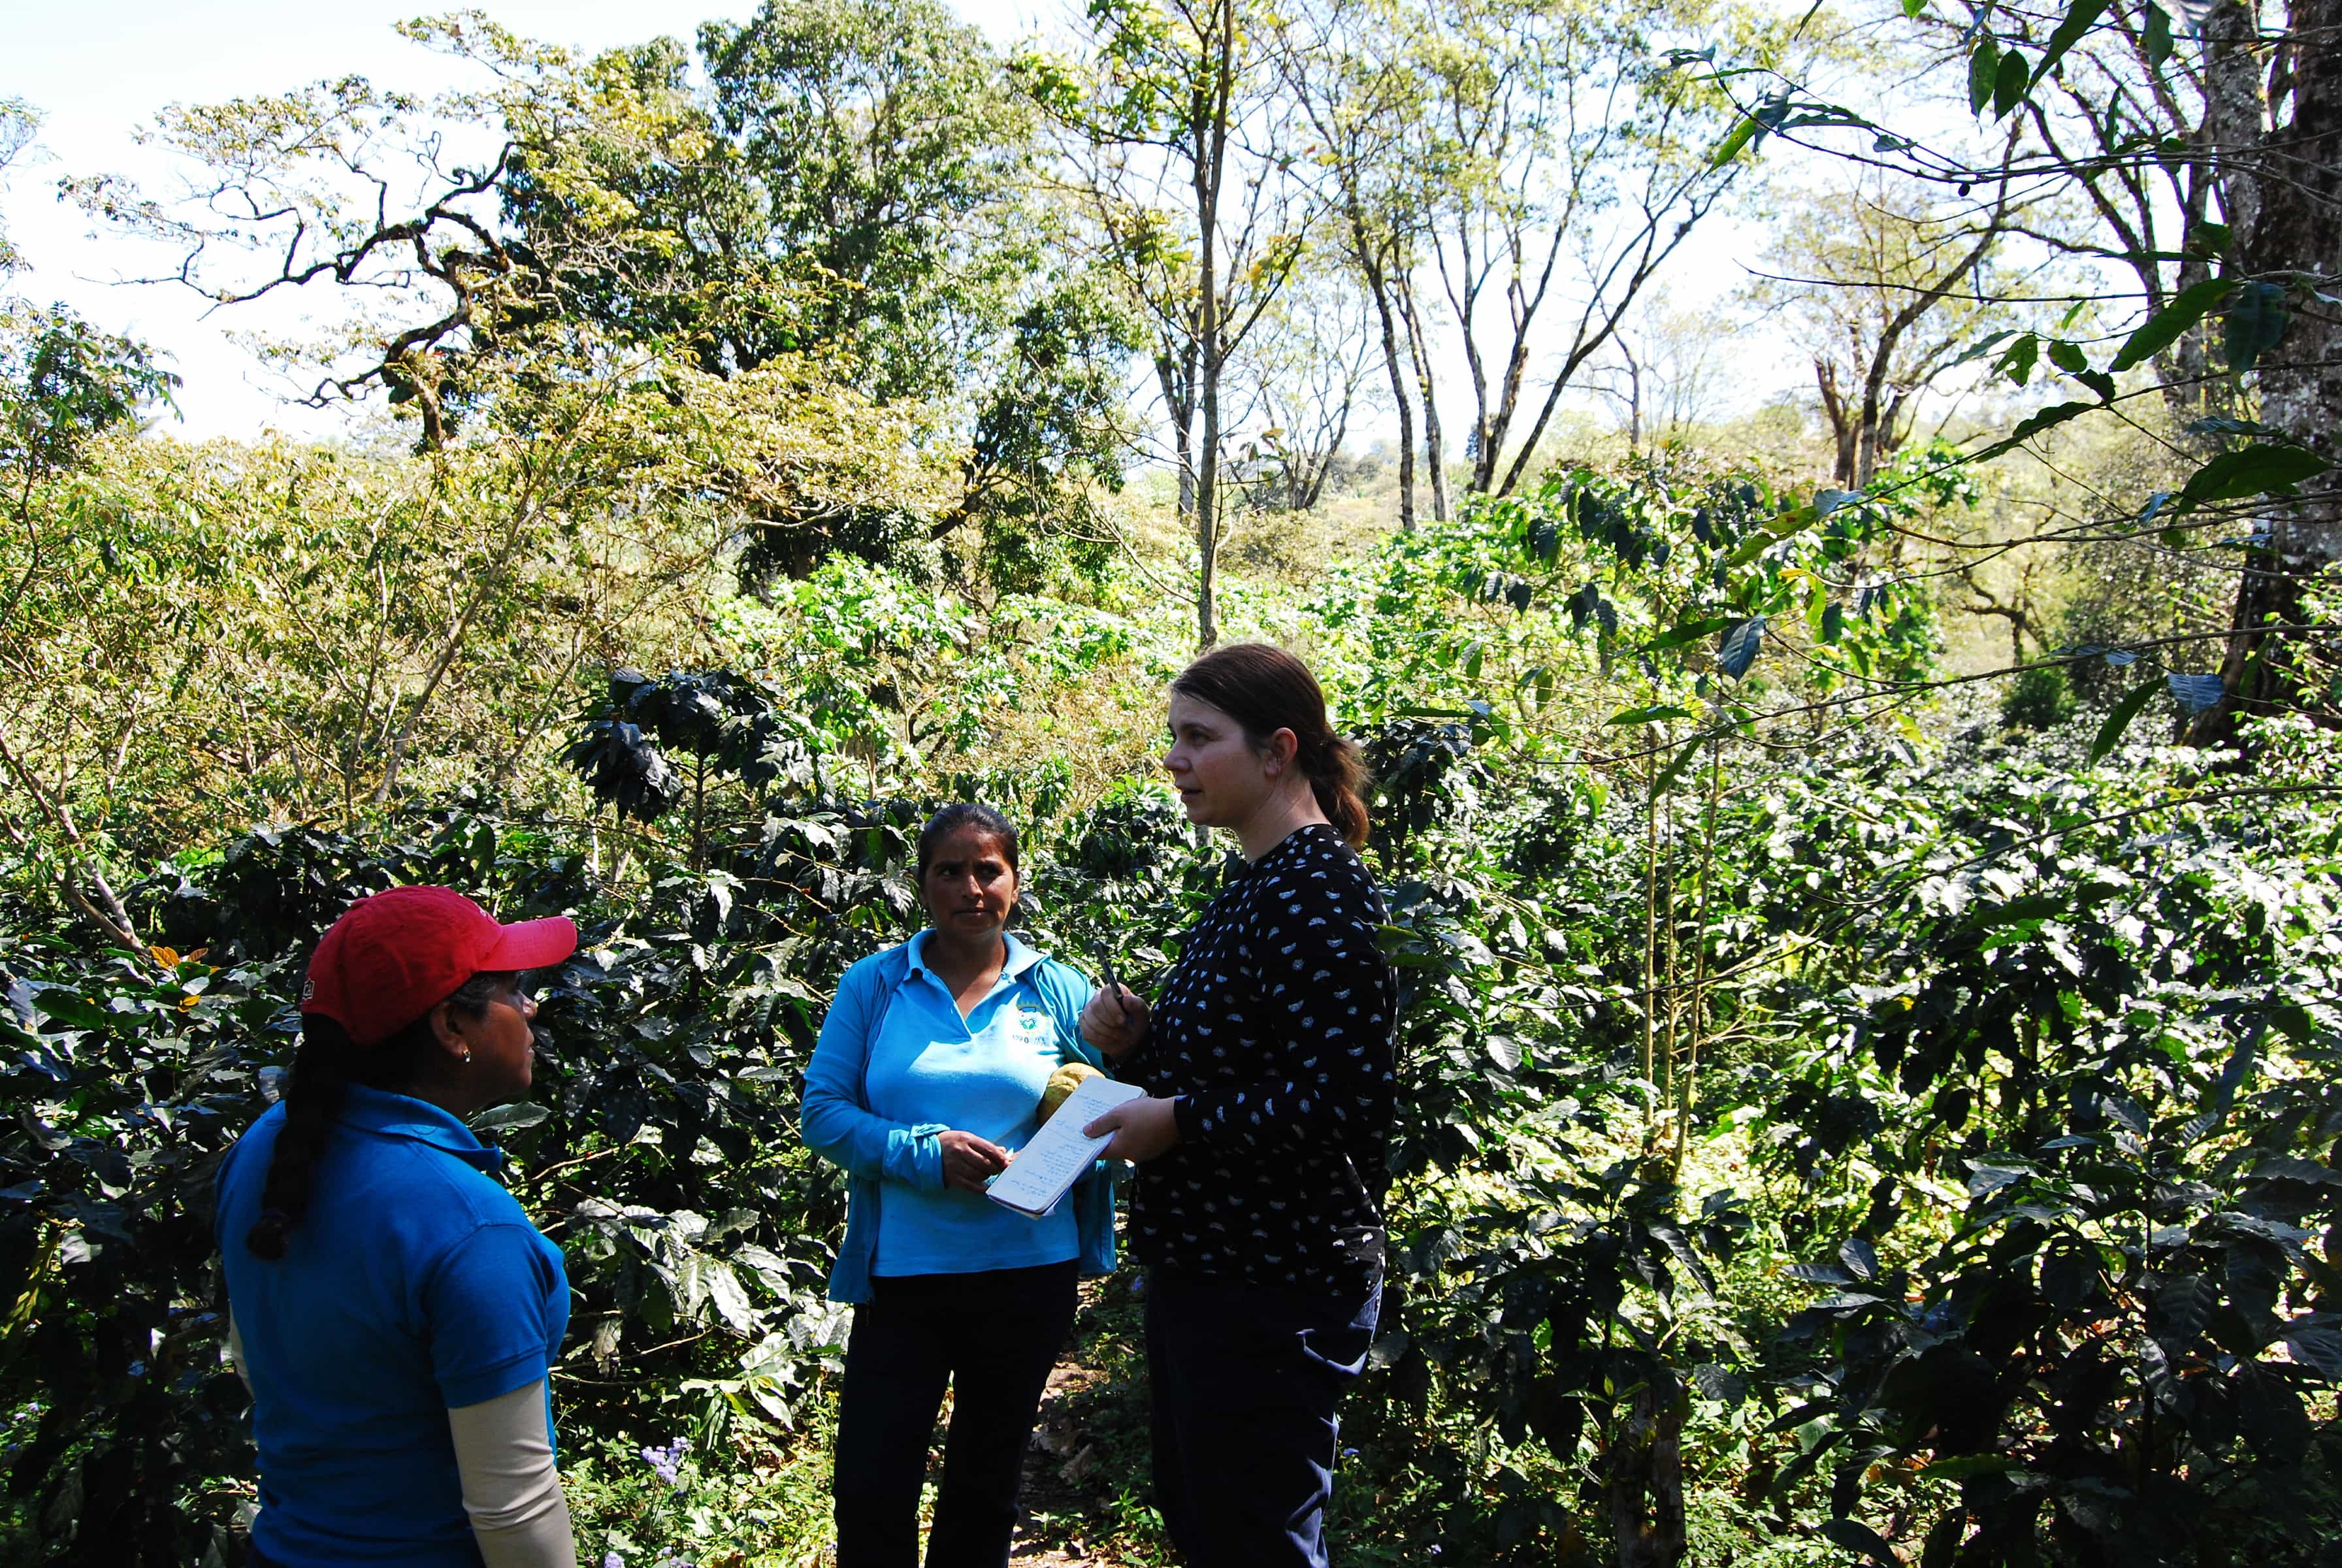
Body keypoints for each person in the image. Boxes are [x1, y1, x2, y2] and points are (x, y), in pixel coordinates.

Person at [1079, 643, 1398, 1568]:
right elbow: (1245, 1064)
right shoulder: (1253, 884)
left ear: (1276, 752)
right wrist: (1138, 1045)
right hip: (1217, 1273)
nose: (1173, 760)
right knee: (1214, 1531)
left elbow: (1342, 1099)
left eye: (1197, 738)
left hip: (1276, 1285)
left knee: (1254, 1544)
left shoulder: (1317, 891)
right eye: (1172, 738)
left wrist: (1174, 1120)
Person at [214, 885, 583, 1568]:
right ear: (451, 1028)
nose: (531, 1006)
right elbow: (515, 1512)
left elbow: (252, 1357)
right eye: (513, 987)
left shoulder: (265, 1149)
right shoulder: (471, 1231)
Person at [800, 803, 1118, 1568]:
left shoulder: (1060, 990)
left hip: (1027, 1272)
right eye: (951, 871)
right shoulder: (876, 986)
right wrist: (925, 1152)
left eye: (989, 870)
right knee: (873, 1485)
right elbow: (823, 1113)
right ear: (922, 884)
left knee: (985, 1481)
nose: (971, 888)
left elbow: (1112, 1113)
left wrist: (1063, 1150)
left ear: (1014, 880)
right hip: (905, 1277)